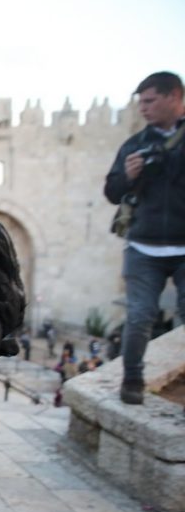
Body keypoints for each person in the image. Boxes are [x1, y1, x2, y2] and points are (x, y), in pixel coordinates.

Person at [103, 71, 185, 405]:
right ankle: (132, 380)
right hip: (143, 246)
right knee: (139, 316)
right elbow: (111, 190)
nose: (144, 109)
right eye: (141, 103)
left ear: (174, 97)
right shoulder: (135, 144)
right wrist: (129, 175)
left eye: (150, 101)